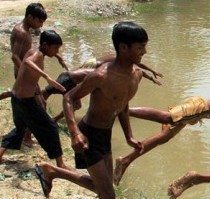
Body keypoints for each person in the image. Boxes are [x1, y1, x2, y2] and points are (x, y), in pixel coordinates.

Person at [34, 21, 149, 199]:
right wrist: (75, 132)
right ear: (123, 47)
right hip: (89, 135)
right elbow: (68, 97)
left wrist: (128, 136)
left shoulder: (136, 74)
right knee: (108, 196)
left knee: (104, 189)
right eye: (140, 48)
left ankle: (52, 171)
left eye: (145, 47)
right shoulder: (101, 76)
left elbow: (123, 105)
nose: (144, 53)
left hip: (105, 134)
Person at [0, 30, 67, 167]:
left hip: (16, 98)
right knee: (51, 128)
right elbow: (28, 62)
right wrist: (47, 77)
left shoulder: (34, 50)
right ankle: (60, 164)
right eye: (55, 48)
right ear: (45, 45)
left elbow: (32, 57)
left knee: (21, 128)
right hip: (26, 102)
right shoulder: (37, 55)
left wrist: (58, 57)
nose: (56, 51)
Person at [7, 2, 68, 146]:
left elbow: (32, 49)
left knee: (33, 104)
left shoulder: (24, 30)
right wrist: (25, 72)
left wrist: (57, 55)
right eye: (39, 21)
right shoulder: (22, 32)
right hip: (25, 75)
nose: (41, 25)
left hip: (26, 75)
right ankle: (27, 137)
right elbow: (15, 56)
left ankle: (25, 135)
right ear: (30, 17)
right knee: (38, 105)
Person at [41, 54, 163, 122]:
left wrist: (153, 76)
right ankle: (43, 115)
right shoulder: (104, 70)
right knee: (48, 93)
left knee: (74, 102)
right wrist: (153, 74)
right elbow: (140, 67)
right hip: (75, 75)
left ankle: (52, 119)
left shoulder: (118, 61)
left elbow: (140, 69)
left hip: (78, 72)